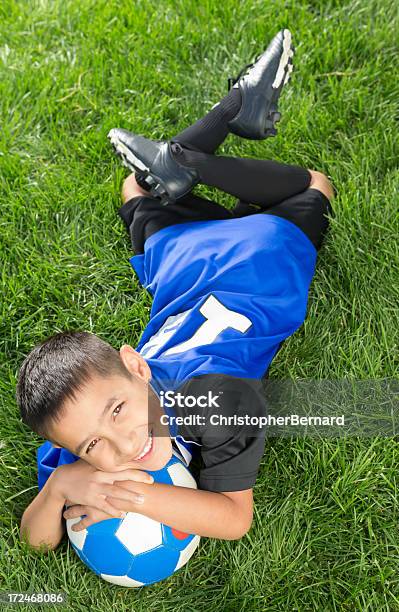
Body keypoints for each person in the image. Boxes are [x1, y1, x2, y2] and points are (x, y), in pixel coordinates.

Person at [16, 29, 334, 550]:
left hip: (259, 263)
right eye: (92, 445)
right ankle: (195, 150)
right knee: (135, 189)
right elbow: (36, 540)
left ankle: (196, 155)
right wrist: (57, 489)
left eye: (119, 411)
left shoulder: (217, 401)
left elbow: (234, 518)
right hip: (185, 264)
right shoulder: (79, 425)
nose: (122, 446)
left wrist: (132, 498)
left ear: (137, 366)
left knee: (316, 184)